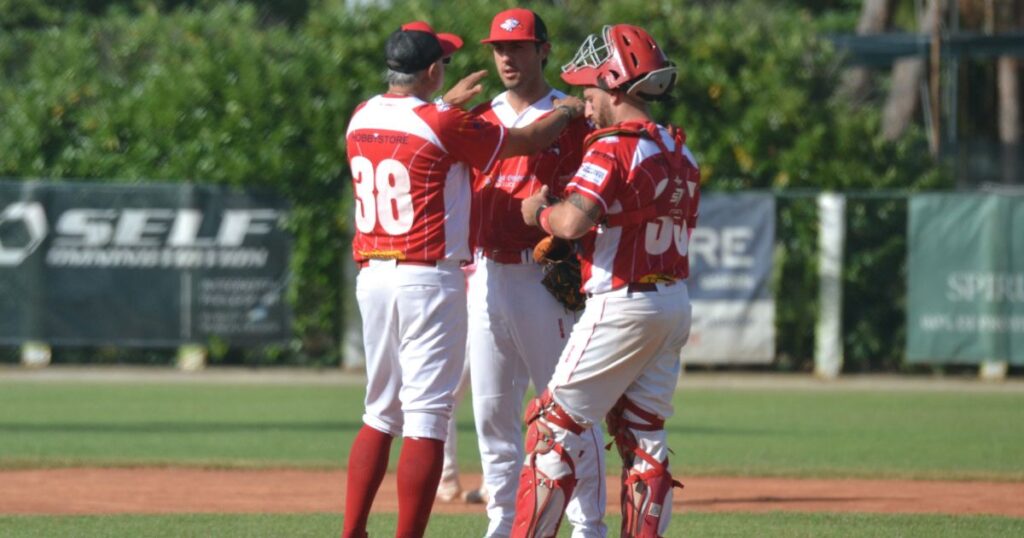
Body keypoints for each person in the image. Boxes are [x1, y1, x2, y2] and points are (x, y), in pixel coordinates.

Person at [342, 20, 584, 538]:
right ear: (431, 70)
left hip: (372, 276)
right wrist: (568, 108)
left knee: (380, 410)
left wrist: (441, 104)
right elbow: (527, 140)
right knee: (427, 417)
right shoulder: (442, 123)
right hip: (427, 277)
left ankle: (353, 530)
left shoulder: (361, 116)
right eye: (444, 62)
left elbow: (419, 122)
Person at [513, 24, 701, 538]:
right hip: (673, 302)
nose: (584, 102)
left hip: (623, 304)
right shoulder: (681, 151)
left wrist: (541, 212)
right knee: (644, 438)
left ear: (615, 86)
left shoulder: (612, 146)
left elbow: (573, 223)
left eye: (590, 90)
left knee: (553, 430)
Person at [461, 8, 606, 538]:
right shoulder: (481, 116)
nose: (507, 56)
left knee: (569, 410)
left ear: (543, 50)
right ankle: (501, 524)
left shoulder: (572, 117)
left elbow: (596, 193)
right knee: (493, 415)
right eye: (499, 48)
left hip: (545, 278)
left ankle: (588, 526)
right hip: (486, 276)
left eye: (519, 47)